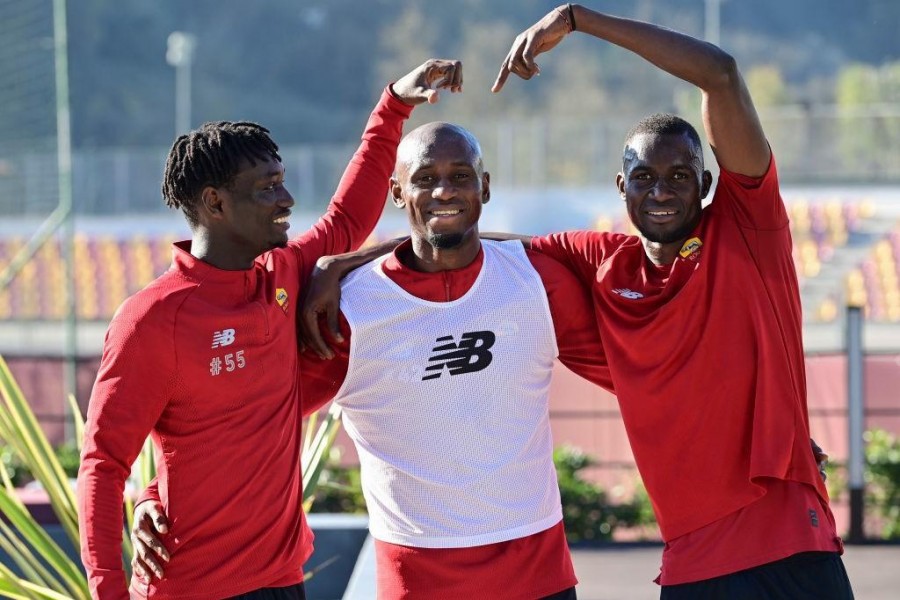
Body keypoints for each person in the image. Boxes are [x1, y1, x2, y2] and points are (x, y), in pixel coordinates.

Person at [134, 120, 614, 599]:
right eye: (425, 179)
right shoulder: (349, 307)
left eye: (461, 177)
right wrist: (159, 492)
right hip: (415, 582)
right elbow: (246, 421)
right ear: (397, 192)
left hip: (539, 577)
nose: (444, 190)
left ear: (485, 186)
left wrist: (338, 261)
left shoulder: (537, 282)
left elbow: (640, 377)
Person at [487, 4, 854, 599]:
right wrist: (354, 259)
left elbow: (722, 74)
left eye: (680, 176)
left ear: (706, 185)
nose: (661, 191)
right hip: (692, 564)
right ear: (620, 187)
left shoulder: (747, 230)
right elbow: (474, 244)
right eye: (644, 177)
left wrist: (579, 20)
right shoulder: (600, 259)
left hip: (790, 548)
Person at [76, 59, 462, 600]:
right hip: (191, 590)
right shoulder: (152, 320)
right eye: (267, 188)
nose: (286, 201)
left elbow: (346, 220)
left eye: (282, 183)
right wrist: (109, 590)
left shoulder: (280, 275)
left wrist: (393, 104)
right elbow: (101, 464)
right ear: (215, 203)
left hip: (282, 582)